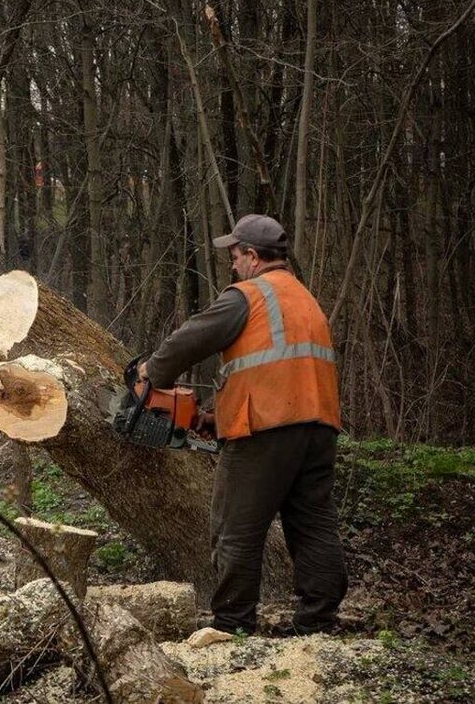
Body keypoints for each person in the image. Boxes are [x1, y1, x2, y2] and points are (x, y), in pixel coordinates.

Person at [139, 214, 348, 636]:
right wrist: (219, 416)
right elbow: (278, 367)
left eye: (235, 256)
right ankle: (319, 620)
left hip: (266, 430)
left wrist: (151, 374)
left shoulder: (247, 297)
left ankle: (233, 622)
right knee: (313, 523)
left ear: (253, 256)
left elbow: (189, 339)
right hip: (318, 426)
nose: (233, 265)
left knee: (236, 526)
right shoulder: (305, 299)